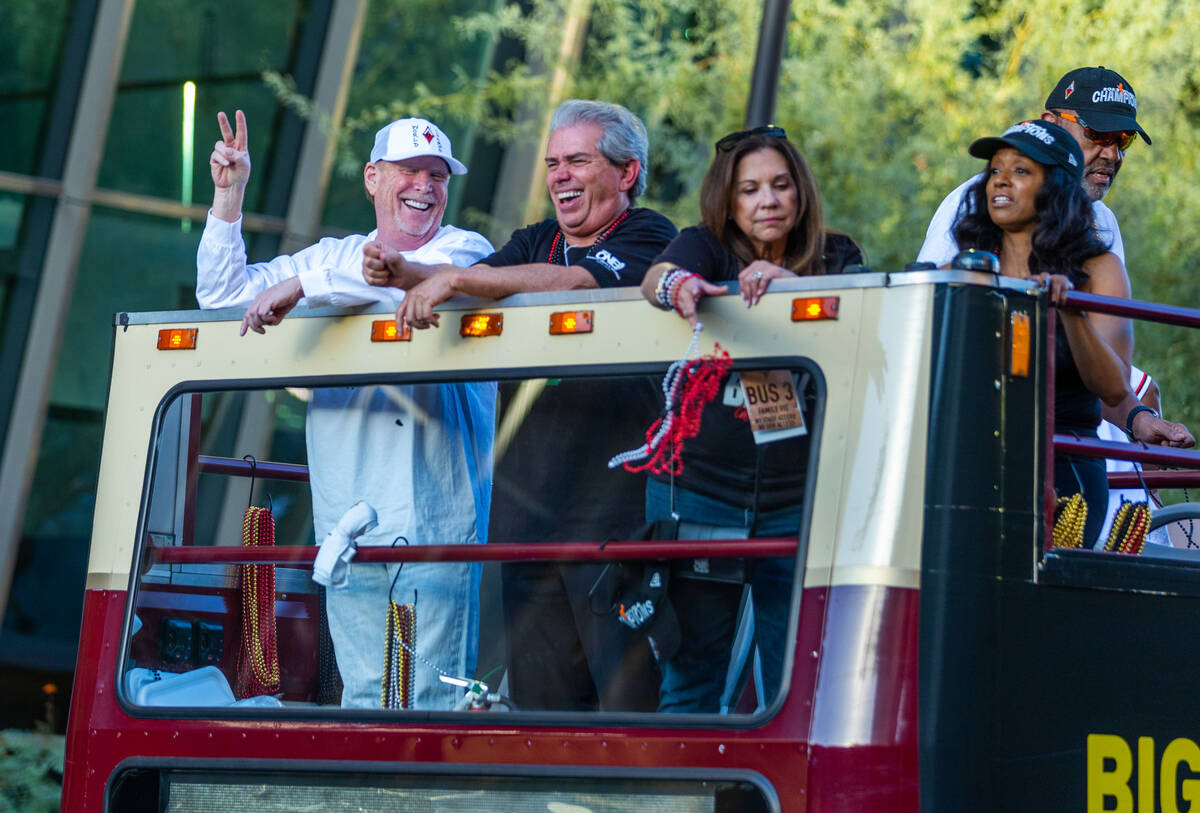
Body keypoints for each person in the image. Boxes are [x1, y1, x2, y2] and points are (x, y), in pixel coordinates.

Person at [364, 99, 678, 712]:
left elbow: (577, 283)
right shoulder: (536, 239)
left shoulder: (653, 235)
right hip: (527, 528)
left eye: (578, 161)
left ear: (627, 173)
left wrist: (452, 280)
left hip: (616, 527)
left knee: (628, 716)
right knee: (540, 716)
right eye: (553, 162)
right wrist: (400, 269)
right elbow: (474, 277)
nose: (559, 175)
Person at [196, 110, 496, 710]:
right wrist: (228, 201)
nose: (425, 186)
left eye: (437, 175)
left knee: (431, 708)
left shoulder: (466, 249)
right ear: (371, 179)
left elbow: (405, 284)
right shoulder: (335, 255)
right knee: (362, 700)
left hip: (436, 530)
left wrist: (305, 288)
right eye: (410, 170)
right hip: (348, 525)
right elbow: (221, 300)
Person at [638, 125, 863, 712]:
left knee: (796, 688)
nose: (768, 200)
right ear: (727, 201)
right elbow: (654, 278)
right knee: (689, 683)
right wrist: (678, 285)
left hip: (800, 499)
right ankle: (680, 805)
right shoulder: (703, 244)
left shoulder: (838, 255)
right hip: (698, 492)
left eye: (781, 185)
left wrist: (793, 290)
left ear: (801, 192)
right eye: (750, 190)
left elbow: (861, 326)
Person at [952, 120, 1192, 547]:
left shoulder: (1099, 271)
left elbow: (1114, 387)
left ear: (1056, 188)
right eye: (995, 170)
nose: (1001, 180)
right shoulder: (968, 267)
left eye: (1021, 171)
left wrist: (1070, 313)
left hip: (1062, 467)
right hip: (973, 456)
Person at [918, 66, 1148, 268]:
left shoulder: (1103, 220)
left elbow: (1104, 314)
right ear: (1052, 124)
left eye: (1124, 139)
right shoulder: (976, 200)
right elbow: (928, 303)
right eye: (1098, 134)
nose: (1112, 154)